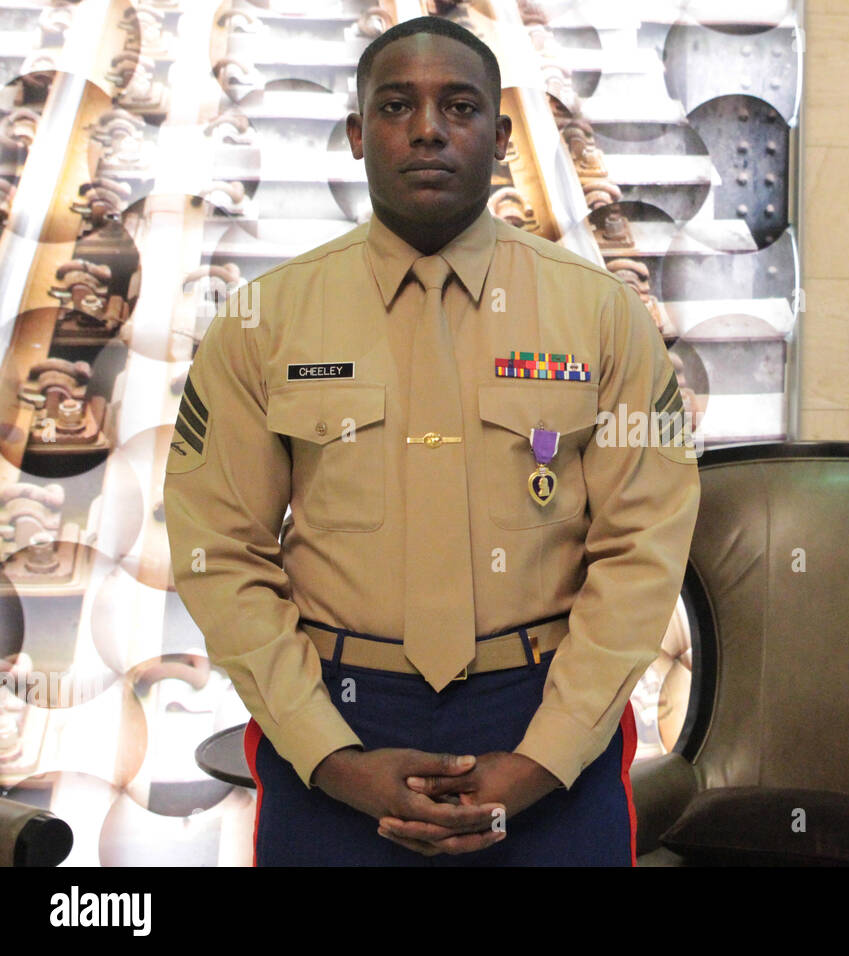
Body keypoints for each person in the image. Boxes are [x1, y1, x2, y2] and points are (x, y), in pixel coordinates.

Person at [162, 15, 699, 866]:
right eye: (395, 105)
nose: (427, 129)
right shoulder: (266, 322)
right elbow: (218, 548)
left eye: (459, 106)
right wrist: (331, 756)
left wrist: (543, 755)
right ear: (354, 134)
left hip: (544, 712)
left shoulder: (600, 316)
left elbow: (645, 547)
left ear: (501, 137)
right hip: (339, 715)